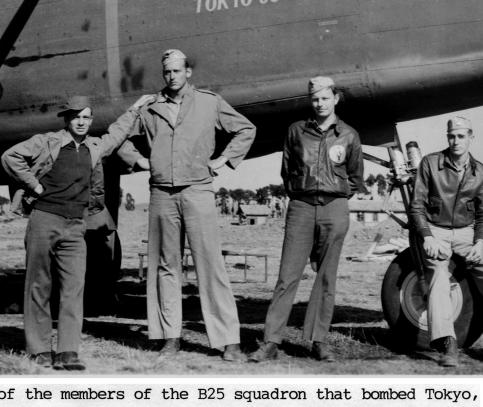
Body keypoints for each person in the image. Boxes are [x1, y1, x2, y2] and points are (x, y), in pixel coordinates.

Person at [1, 93, 156, 370]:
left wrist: (135, 108)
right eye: (76, 116)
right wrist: (33, 185)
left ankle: (68, 351)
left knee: (74, 288)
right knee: (39, 285)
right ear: (66, 119)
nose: (81, 122)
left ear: (91, 120)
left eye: (86, 117)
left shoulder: (95, 147)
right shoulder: (46, 142)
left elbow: (117, 133)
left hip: (76, 226)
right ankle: (39, 349)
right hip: (44, 220)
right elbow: (10, 157)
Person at [120, 49, 255, 361]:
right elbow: (122, 135)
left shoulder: (210, 102)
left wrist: (223, 159)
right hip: (162, 195)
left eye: (177, 71)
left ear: (188, 72)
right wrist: (140, 160)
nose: (172, 77)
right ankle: (170, 337)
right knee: (166, 267)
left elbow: (246, 129)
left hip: (198, 191)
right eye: (167, 72)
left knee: (210, 265)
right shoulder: (151, 107)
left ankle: (228, 341)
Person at [250, 77, 363, 363]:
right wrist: (304, 195)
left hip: (334, 209)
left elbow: (355, 178)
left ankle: (318, 341)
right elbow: (287, 172)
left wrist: (333, 194)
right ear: (310, 101)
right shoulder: (296, 131)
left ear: (335, 98)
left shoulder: (349, 135)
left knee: (326, 278)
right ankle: (271, 342)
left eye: (325, 98)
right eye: (315, 99)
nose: (320, 103)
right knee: (287, 276)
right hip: (300, 208)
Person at [409, 116, 483, 368]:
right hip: (436, 230)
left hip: (466, 232)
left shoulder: (481, 171)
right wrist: (428, 237)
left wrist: (479, 243)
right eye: (452, 136)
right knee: (438, 274)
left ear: (470, 137)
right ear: (447, 138)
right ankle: (447, 342)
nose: (456, 141)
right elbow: (416, 206)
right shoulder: (430, 163)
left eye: (461, 136)